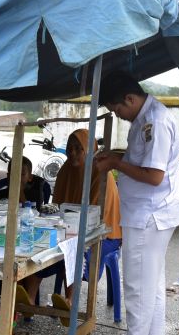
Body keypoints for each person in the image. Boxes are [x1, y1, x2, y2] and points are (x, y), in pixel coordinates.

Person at [89, 72, 179, 335]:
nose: (119, 116)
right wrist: (118, 156)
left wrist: (116, 164)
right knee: (152, 283)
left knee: (137, 287)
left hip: (148, 215)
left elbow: (154, 175)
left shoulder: (153, 121)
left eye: (118, 110)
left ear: (130, 99)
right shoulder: (147, 118)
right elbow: (144, 163)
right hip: (153, 214)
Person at [20, 128, 122, 310]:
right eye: (69, 148)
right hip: (69, 229)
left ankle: (70, 302)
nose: (72, 152)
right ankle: (28, 300)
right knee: (38, 249)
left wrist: (70, 231)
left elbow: (95, 218)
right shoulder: (65, 170)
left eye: (78, 148)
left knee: (74, 250)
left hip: (105, 235)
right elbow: (58, 207)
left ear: (90, 149)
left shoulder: (101, 173)